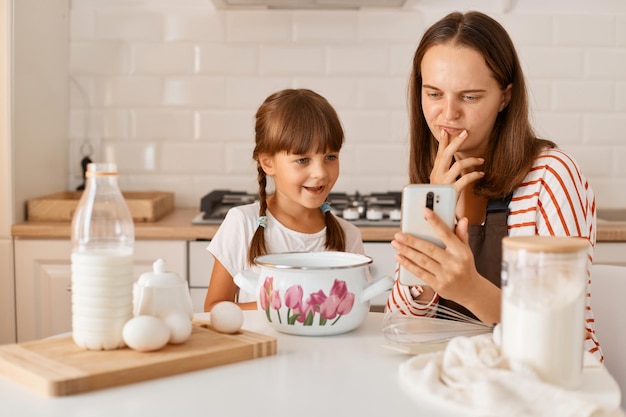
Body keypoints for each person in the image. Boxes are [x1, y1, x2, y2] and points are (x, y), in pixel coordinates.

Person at [386, 11, 602, 360]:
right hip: (453, 375)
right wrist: (434, 210)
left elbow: (565, 334)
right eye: (434, 94)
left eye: (469, 97)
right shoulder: (435, 181)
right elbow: (402, 323)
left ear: (505, 97)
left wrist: (471, 291)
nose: (448, 114)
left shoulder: (552, 175)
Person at [204, 88, 365, 311]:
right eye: (302, 160)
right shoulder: (242, 223)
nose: (320, 172)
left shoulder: (349, 236)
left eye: (330, 157)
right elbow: (214, 308)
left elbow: (356, 306)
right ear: (268, 163)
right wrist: (282, 307)